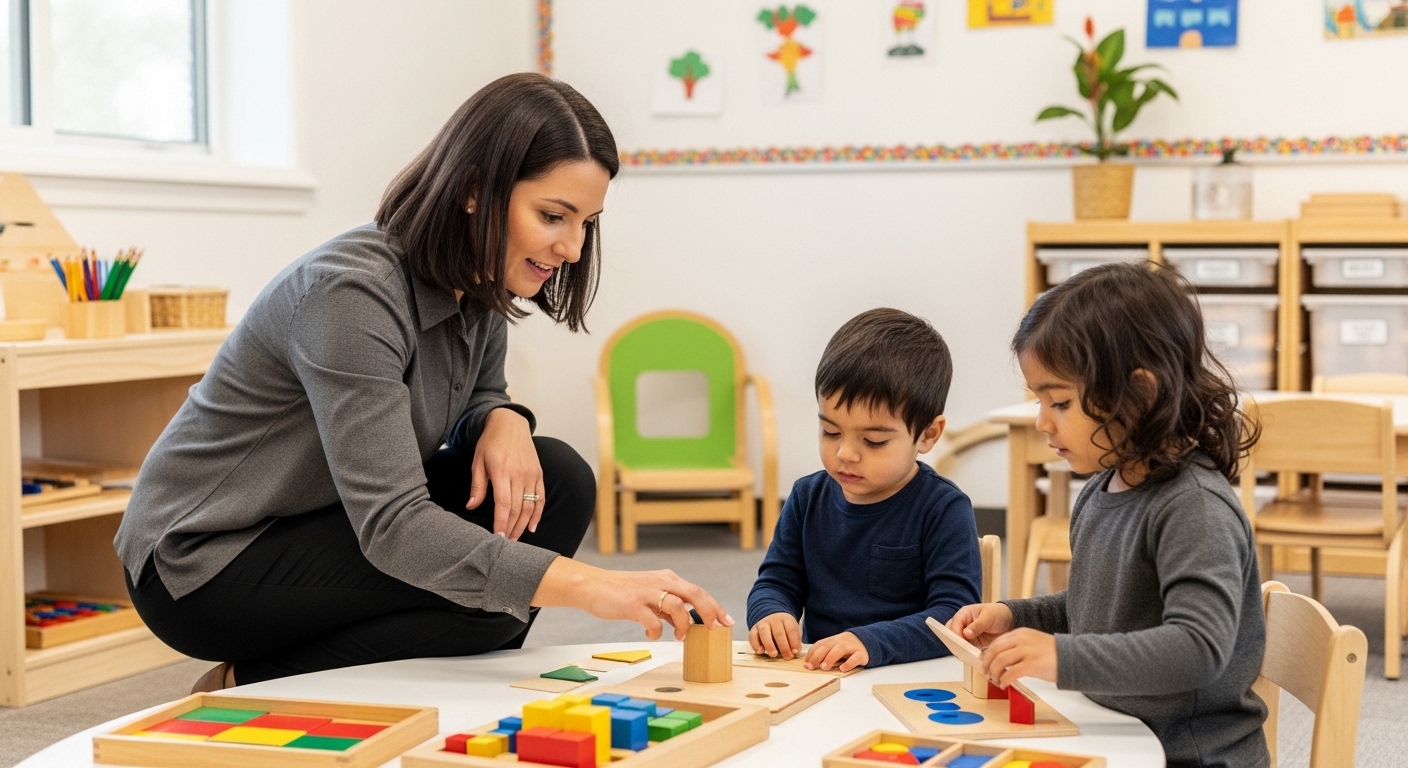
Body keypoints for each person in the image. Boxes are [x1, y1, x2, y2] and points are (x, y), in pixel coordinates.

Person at [114, 73, 731, 693]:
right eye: (553, 216)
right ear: (473, 191)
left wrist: (502, 417)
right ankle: (249, 682)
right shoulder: (350, 295)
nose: (572, 247)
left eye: (586, 223)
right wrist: (596, 585)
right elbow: (394, 524)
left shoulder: (481, 280)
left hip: (327, 516)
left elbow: (476, 393)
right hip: (205, 561)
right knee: (491, 595)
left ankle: (383, 680)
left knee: (557, 482)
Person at [948, 263, 1268, 768]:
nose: (1042, 421)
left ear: (1140, 394)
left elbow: (1199, 647)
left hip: (1186, 755)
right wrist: (1015, 616)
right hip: (1114, 733)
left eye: (1059, 402)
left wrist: (1059, 657)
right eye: (1039, 401)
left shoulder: (1195, 507)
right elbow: (1101, 610)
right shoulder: (1102, 489)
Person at [746, 309, 982, 672]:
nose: (845, 453)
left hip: (906, 675)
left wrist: (870, 642)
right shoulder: (807, 497)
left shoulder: (944, 508)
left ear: (928, 435)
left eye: (873, 441)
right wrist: (771, 613)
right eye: (831, 432)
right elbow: (776, 582)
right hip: (823, 674)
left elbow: (953, 617)